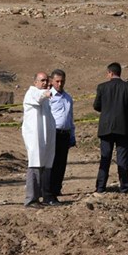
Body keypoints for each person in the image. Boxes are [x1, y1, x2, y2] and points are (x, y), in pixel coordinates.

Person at [93, 62, 128, 195]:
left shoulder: (102, 87)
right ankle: (124, 187)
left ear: (110, 73)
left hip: (106, 128)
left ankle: (100, 187)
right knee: (123, 158)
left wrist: (107, 108)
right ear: (119, 73)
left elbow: (96, 106)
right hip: (123, 128)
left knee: (105, 157)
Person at [22, 72, 58, 208]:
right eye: (42, 80)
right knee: (35, 164)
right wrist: (46, 94)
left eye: (46, 81)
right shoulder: (32, 92)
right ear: (35, 82)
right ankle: (31, 199)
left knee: (44, 165)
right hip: (34, 137)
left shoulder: (45, 99)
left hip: (45, 138)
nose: (44, 83)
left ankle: (41, 197)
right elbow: (38, 97)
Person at [49, 69, 76, 201]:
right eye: (57, 81)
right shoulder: (49, 97)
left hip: (65, 133)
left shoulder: (68, 98)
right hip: (53, 133)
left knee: (61, 163)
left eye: (62, 81)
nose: (60, 84)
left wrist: (72, 135)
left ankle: (56, 188)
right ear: (52, 81)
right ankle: (49, 191)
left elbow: (70, 117)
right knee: (52, 163)